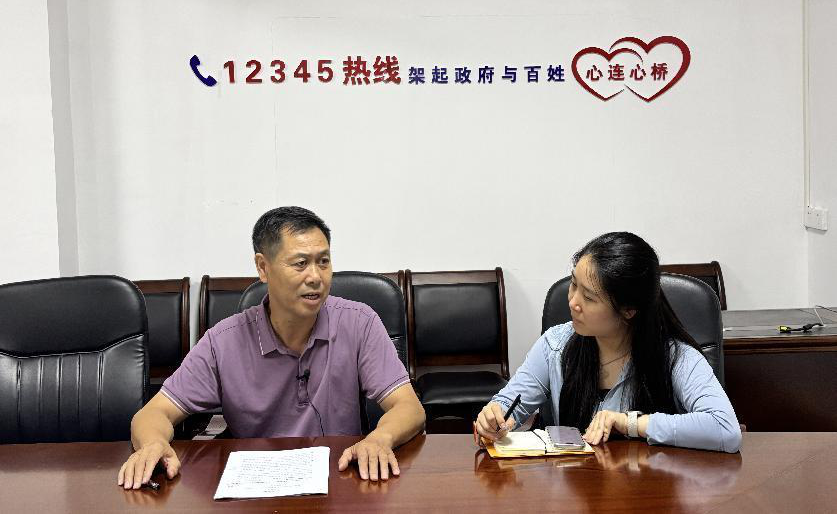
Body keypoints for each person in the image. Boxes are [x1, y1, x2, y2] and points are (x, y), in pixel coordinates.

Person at [118, 206, 425, 489]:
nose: (316, 277)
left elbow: (409, 408)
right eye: (301, 263)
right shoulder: (223, 342)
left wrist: (379, 439)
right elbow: (153, 413)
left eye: (323, 261)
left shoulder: (359, 322)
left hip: (341, 480)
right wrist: (153, 444)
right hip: (258, 489)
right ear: (263, 268)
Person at [475, 232, 741, 453]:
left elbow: (725, 429)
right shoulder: (554, 346)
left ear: (628, 310)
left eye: (589, 298)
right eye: (573, 285)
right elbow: (510, 405)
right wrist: (494, 417)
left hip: (651, 490)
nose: (573, 302)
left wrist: (631, 424)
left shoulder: (675, 358)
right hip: (573, 488)